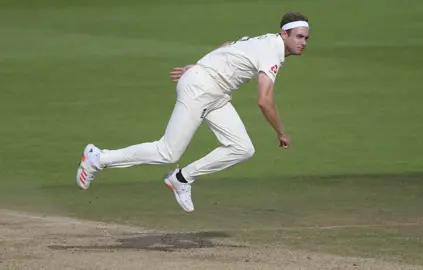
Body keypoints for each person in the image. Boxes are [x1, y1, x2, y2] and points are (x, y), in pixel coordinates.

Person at [76, 12, 310, 213]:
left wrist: (199, 65)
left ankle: (181, 178)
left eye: (306, 38)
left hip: (214, 91)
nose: (303, 43)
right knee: (167, 152)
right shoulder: (273, 51)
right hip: (201, 88)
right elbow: (264, 100)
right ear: (284, 34)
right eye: (298, 36)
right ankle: (97, 158)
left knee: (242, 148)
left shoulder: (266, 41)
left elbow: (229, 46)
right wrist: (281, 132)